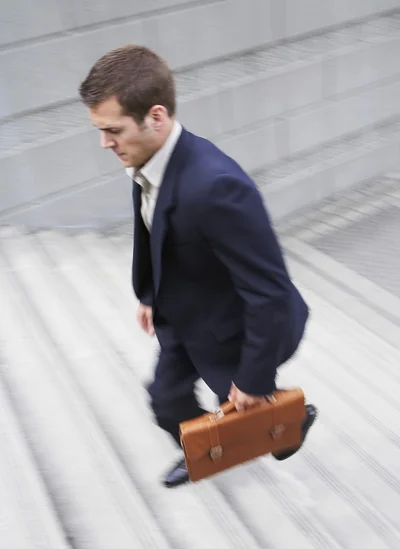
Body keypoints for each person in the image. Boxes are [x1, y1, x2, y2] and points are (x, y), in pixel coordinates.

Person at [79, 45, 317, 488]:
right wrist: (151, 295)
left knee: (248, 401)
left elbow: (269, 292)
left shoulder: (217, 187)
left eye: (113, 130)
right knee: (167, 402)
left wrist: (252, 377)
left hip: (233, 330)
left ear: (156, 116)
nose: (104, 143)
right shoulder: (148, 160)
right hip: (184, 315)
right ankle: (208, 449)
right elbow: (160, 237)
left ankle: (287, 425)